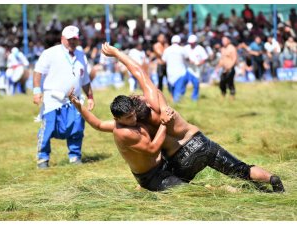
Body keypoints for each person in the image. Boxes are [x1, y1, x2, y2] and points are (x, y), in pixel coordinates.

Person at [100, 43, 285, 193]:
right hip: (202, 143)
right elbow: (139, 71)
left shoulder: (139, 126)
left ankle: (218, 190)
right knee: (241, 169)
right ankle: (271, 179)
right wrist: (117, 52)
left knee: (166, 181)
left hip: (180, 159)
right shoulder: (155, 102)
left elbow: (143, 145)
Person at [69, 42, 185, 191]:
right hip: (151, 175)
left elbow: (143, 77)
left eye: (133, 114)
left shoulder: (133, 116)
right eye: (128, 118)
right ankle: (145, 186)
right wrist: (164, 123)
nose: (134, 119)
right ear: (117, 119)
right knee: (186, 190)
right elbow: (97, 125)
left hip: (164, 164)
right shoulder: (121, 130)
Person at [33, 25, 95, 169]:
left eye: (75, 39)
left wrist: (90, 96)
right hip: (52, 100)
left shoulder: (81, 55)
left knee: (77, 128)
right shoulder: (50, 53)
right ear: (62, 39)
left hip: (75, 100)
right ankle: (43, 159)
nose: (72, 42)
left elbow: (85, 80)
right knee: (48, 129)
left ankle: (75, 156)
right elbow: (37, 72)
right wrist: (37, 91)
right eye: (69, 39)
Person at [162, 35, 187, 102]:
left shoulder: (167, 50)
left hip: (170, 72)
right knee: (178, 90)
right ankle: (176, 104)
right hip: (180, 72)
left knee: (172, 90)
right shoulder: (182, 49)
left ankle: (174, 103)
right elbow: (187, 58)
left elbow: (163, 61)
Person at [184, 34, 208, 101]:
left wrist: (199, 63)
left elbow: (204, 58)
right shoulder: (186, 48)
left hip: (196, 69)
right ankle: (179, 97)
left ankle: (194, 98)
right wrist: (188, 60)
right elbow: (183, 56)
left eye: (192, 43)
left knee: (196, 84)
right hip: (187, 68)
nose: (191, 44)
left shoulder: (200, 48)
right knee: (183, 83)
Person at [215, 35, 238, 100]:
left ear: (228, 41)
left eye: (224, 40)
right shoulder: (223, 49)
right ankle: (223, 94)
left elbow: (234, 59)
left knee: (230, 83)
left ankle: (232, 95)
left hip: (230, 69)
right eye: (222, 40)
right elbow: (221, 60)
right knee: (222, 82)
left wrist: (230, 67)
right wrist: (218, 67)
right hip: (224, 69)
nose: (223, 42)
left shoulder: (232, 48)